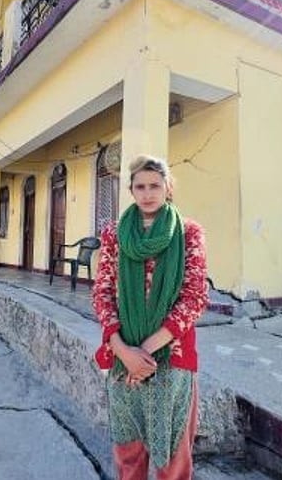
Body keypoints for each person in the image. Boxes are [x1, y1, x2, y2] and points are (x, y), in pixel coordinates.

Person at [92, 154, 208, 480]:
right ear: (130, 190)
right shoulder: (114, 234)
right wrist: (123, 351)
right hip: (123, 355)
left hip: (170, 357)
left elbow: (195, 297)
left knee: (172, 457)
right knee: (128, 453)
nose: (147, 193)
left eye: (155, 185)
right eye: (140, 186)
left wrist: (144, 351)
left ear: (168, 187)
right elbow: (102, 294)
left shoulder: (189, 233)